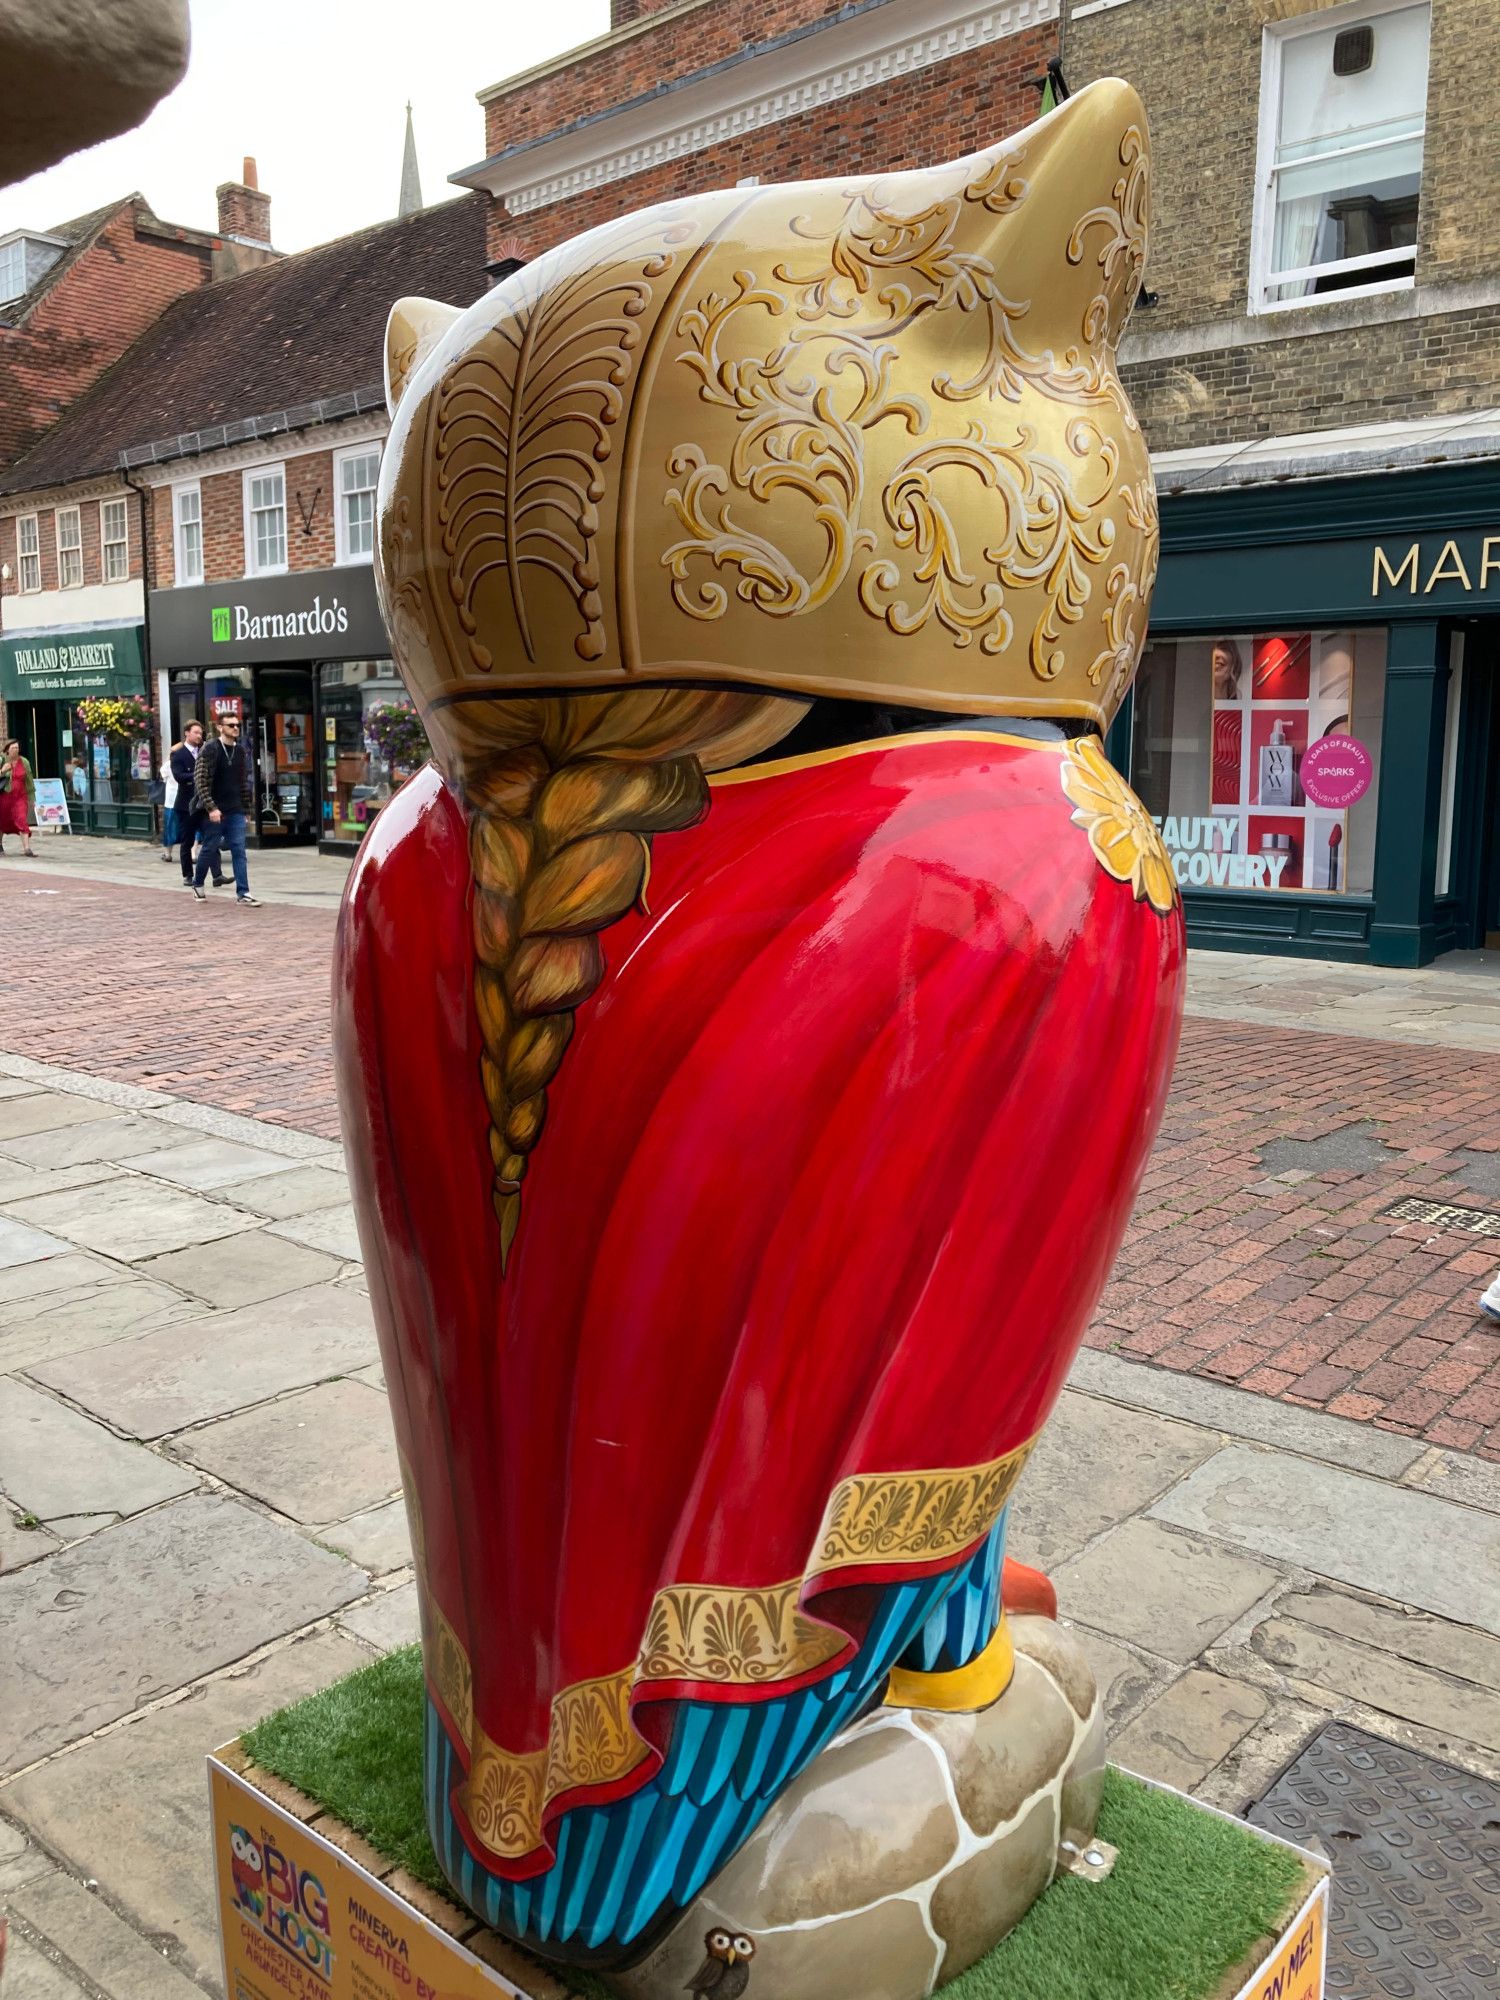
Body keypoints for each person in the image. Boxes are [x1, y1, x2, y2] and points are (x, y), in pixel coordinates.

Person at [191, 711, 259, 905]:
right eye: (231, 725)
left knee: (239, 850)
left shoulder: (240, 751)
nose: (235, 728)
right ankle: (198, 884)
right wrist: (211, 808)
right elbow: (200, 781)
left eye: (237, 725)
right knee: (210, 847)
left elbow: (243, 783)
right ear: (220, 727)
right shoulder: (210, 749)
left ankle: (243, 893)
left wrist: (246, 810)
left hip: (235, 808)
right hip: (213, 810)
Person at [170, 720, 225, 889]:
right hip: (185, 804)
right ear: (187, 733)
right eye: (196, 732)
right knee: (187, 840)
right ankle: (188, 874)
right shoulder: (178, 754)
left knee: (211, 837)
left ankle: (217, 875)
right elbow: (179, 776)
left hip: (203, 803)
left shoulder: (205, 752)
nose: (199, 736)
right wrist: (198, 776)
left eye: (201, 733)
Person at [0, 740, 36, 856]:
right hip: (4, 797)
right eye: (13, 748)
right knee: (2, 821)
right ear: (7, 750)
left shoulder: (24, 761)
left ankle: (27, 849)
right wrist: (2, 771)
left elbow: (29, 780)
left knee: (22, 819)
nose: (16, 750)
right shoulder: (2, 760)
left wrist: (32, 798)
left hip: (20, 797)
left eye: (17, 747)